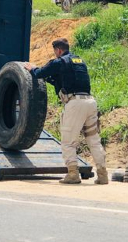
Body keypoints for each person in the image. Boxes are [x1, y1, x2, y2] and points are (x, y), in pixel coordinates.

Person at [23, 38, 108, 185]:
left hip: (75, 104)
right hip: (90, 103)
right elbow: (65, 79)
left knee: (68, 142)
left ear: (58, 50)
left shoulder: (60, 61)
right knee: (93, 140)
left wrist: (32, 68)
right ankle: (102, 175)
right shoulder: (79, 61)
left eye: (55, 51)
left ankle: (73, 174)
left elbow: (41, 73)